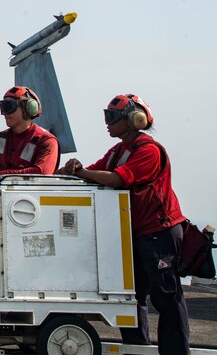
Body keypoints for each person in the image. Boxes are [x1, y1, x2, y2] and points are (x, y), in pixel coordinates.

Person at [57, 94, 188, 353]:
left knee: (167, 298)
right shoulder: (119, 151)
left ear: (133, 120)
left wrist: (82, 172)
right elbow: (95, 172)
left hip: (159, 233)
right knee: (130, 297)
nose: (107, 123)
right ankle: (137, 348)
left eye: (112, 117)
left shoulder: (149, 150)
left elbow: (117, 179)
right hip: (136, 234)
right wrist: (71, 170)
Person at [0, 86, 58, 189]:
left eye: (9, 107)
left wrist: (0, 175)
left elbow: (42, 173)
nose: (5, 113)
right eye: (3, 108)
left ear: (27, 108)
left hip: (30, 197)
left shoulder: (46, 141)